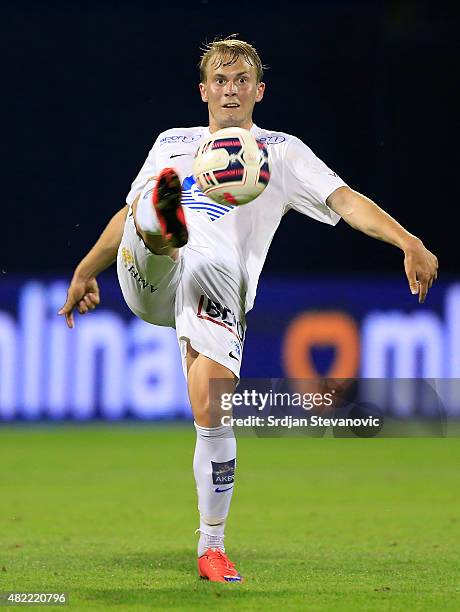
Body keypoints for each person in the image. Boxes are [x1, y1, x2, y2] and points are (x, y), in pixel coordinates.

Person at [59, 37, 438, 583]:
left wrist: (407, 240)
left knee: (209, 407)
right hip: (151, 272)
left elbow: (345, 200)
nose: (230, 90)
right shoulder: (173, 142)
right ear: (203, 90)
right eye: (220, 79)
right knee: (156, 201)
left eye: (241, 81)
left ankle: (211, 547)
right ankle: (171, 230)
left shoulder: (281, 152)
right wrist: (84, 270)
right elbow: (127, 216)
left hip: (214, 288)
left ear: (259, 91)